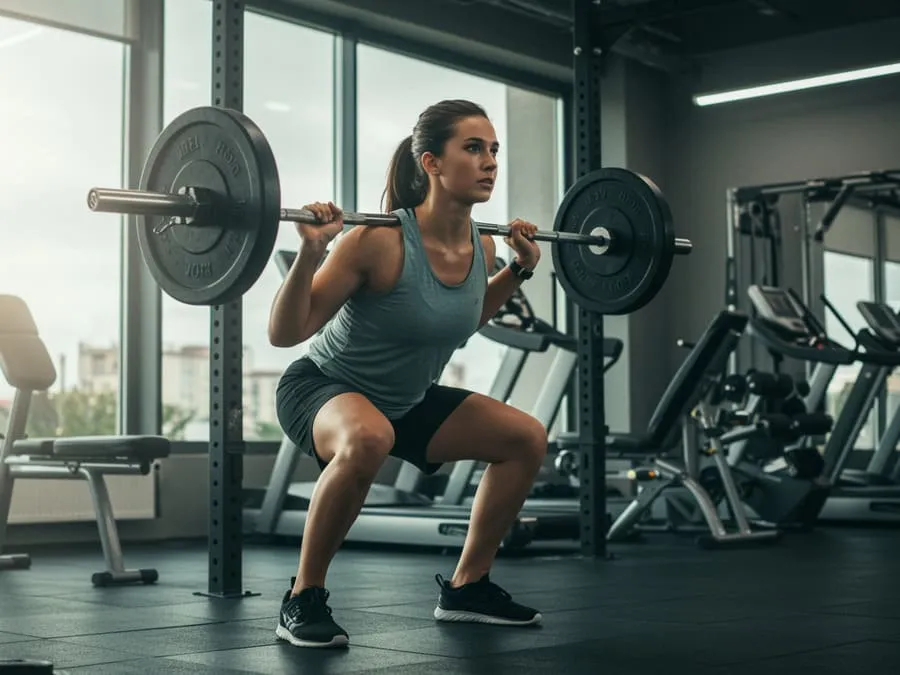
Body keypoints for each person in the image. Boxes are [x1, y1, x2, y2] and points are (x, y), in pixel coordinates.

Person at [268, 99, 548, 649]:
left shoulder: (483, 245)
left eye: (494, 150)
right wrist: (310, 252)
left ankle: (468, 588)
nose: (490, 161)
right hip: (322, 387)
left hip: (406, 399)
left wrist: (519, 269)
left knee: (525, 438)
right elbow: (286, 332)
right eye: (473, 148)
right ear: (432, 163)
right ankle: (302, 597)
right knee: (370, 435)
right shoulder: (377, 240)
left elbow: (461, 319)